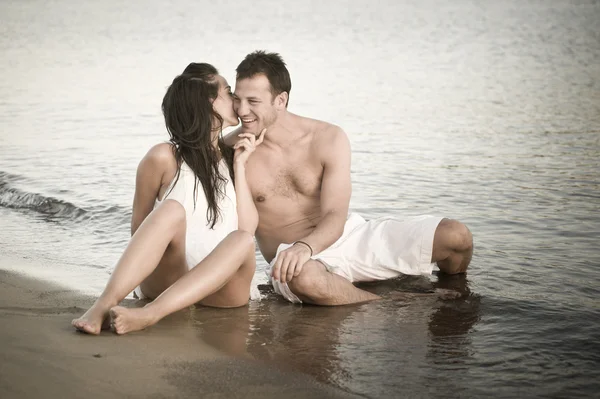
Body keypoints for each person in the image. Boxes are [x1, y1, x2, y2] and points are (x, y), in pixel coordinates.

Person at [226, 50, 473, 305]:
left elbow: (334, 214)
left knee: (456, 236)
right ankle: (388, 304)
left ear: (281, 100)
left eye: (253, 101)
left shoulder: (327, 138)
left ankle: (454, 295)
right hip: (293, 259)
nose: (242, 110)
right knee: (305, 279)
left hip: (347, 237)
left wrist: (306, 245)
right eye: (237, 99)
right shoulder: (230, 151)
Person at [72, 62, 265, 335]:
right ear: (208, 103)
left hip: (221, 289)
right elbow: (140, 231)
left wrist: (240, 167)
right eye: (228, 91)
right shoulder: (163, 157)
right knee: (172, 209)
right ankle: (103, 305)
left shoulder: (233, 155)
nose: (235, 100)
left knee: (242, 239)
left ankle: (151, 314)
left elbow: (247, 231)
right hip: (168, 278)